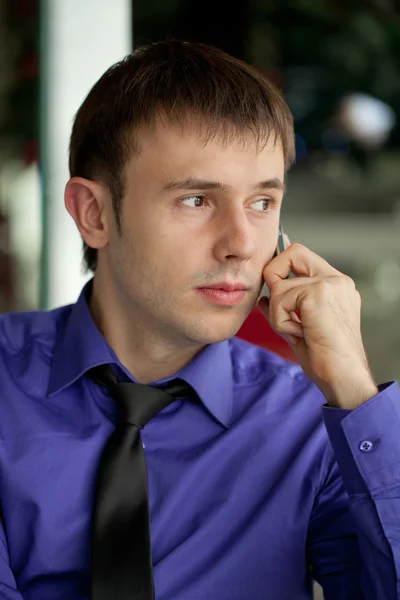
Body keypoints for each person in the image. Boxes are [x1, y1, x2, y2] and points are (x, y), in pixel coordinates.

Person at [0, 40, 399, 600]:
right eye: (196, 200)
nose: (241, 244)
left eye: (261, 203)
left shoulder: (313, 426)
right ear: (93, 214)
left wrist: (356, 391)